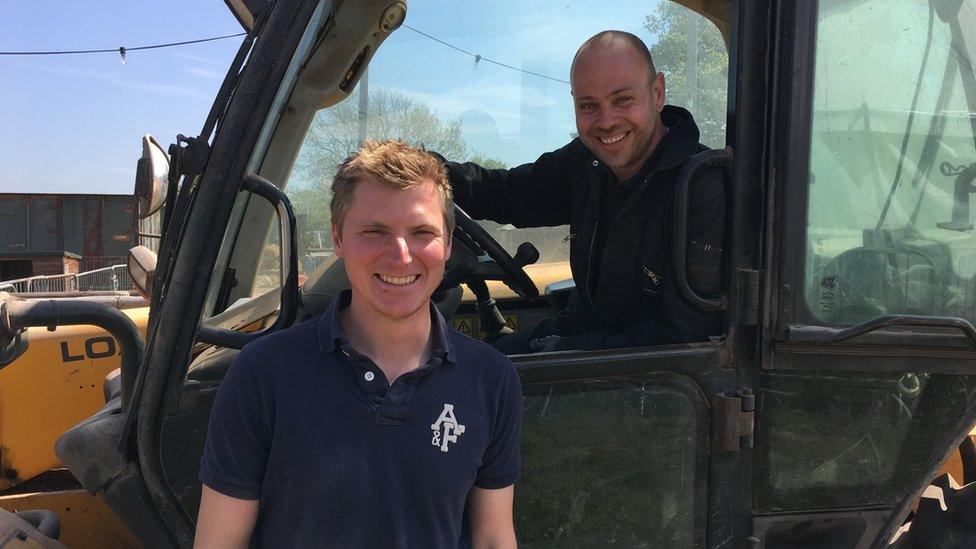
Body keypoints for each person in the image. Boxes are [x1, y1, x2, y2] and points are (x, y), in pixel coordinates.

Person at [194, 140, 522, 548]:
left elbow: (492, 538)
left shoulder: (490, 380)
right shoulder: (263, 373)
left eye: (422, 232)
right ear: (338, 238)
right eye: (375, 231)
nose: (401, 256)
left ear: (449, 244)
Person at [441, 30, 725, 354]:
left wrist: (565, 349)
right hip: (580, 334)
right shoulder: (586, 162)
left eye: (622, 100)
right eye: (589, 105)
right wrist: (429, 171)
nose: (606, 121)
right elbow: (504, 193)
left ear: (657, 93)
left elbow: (687, 340)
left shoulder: (703, 187)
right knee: (472, 369)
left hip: (652, 378)